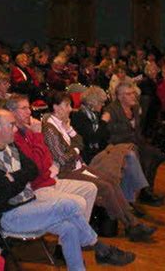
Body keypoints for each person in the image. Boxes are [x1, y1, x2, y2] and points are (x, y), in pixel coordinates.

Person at [0, 109, 135, 271]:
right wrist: (20, 178)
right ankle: (99, 247)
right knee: (70, 205)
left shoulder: (11, 147)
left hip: (29, 204)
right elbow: (5, 192)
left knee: (70, 228)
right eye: (11, 125)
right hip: (9, 216)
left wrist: (13, 176)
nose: (15, 129)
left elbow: (33, 169)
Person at [42, 91, 155, 241]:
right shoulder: (50, 129)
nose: (70, 109)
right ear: (56, 108)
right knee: (106, 187)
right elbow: (63, 159)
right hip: (64, 172)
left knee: (112, 181)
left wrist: (70, 134)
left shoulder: (63, 124)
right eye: (67, 105)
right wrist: (75, 149)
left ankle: (132, 222)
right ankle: (131, 225)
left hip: (76, 165)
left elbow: (80, 141)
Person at [5, 94, 98, 221]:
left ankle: (81, 237)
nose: (29, 112)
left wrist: (69, 132)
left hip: (50, 177)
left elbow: (49, 157)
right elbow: (37, 166)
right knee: (80, 201)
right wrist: (38, 135)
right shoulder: (16, 136)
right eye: (24, 108)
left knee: (91, 188)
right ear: (12, 112)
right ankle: (82, 236)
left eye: (29, 107)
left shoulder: (28, 131)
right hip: (37, 186)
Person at [71, 87, 149, 210]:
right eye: (101, 103)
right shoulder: (79, 117)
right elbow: (93, 138)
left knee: (129, 154)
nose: (102, 105)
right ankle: (136, 194)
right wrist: (103, 122)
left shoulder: (97, 115)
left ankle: (130, 199)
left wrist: (103, 125)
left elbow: (104, 136)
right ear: (93, 102)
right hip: (92, 155)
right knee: (127, 158)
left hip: (104, 149)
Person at [104, 82, 165, 206]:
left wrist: (141, 141)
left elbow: (138, 130)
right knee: (143, 157)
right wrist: (131, 137)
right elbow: (109, 133)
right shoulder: (111, 110)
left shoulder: (136, 108)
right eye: (129, 94)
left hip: (135, 141)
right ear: (120, 97)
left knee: (156, 155)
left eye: (134, 93)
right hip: (119, 144)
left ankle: (145, 190)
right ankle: (138, 194)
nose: (133, 96)